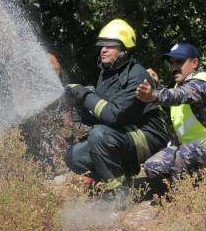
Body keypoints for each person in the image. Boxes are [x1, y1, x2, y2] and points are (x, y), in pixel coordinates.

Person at [64, 19, 169, 200]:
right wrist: (82, 109)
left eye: (110, 46)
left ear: (123, 50)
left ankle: (118, 194)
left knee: (99, 135)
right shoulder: (106, 74)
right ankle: (121, 178)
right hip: (123, 133)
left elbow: (113, 115)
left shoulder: (137, 74)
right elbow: (101, 117)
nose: (103, 49)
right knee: (74, 156)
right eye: (101, 46)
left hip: (148, 136)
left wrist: (85, 95)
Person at [136, 42, 206, 180]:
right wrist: (157, 84)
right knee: (153, 166)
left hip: (195, 150)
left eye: (179, 62)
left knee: (184, 154)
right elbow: (175, 97)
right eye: (171, 62)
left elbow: (179, 95)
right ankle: (196, 179)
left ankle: (181, 195)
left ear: (194, 63)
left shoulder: (201, 82)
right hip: (191, 149)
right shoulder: (180, 85)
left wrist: (153, 95)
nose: (174, 67)